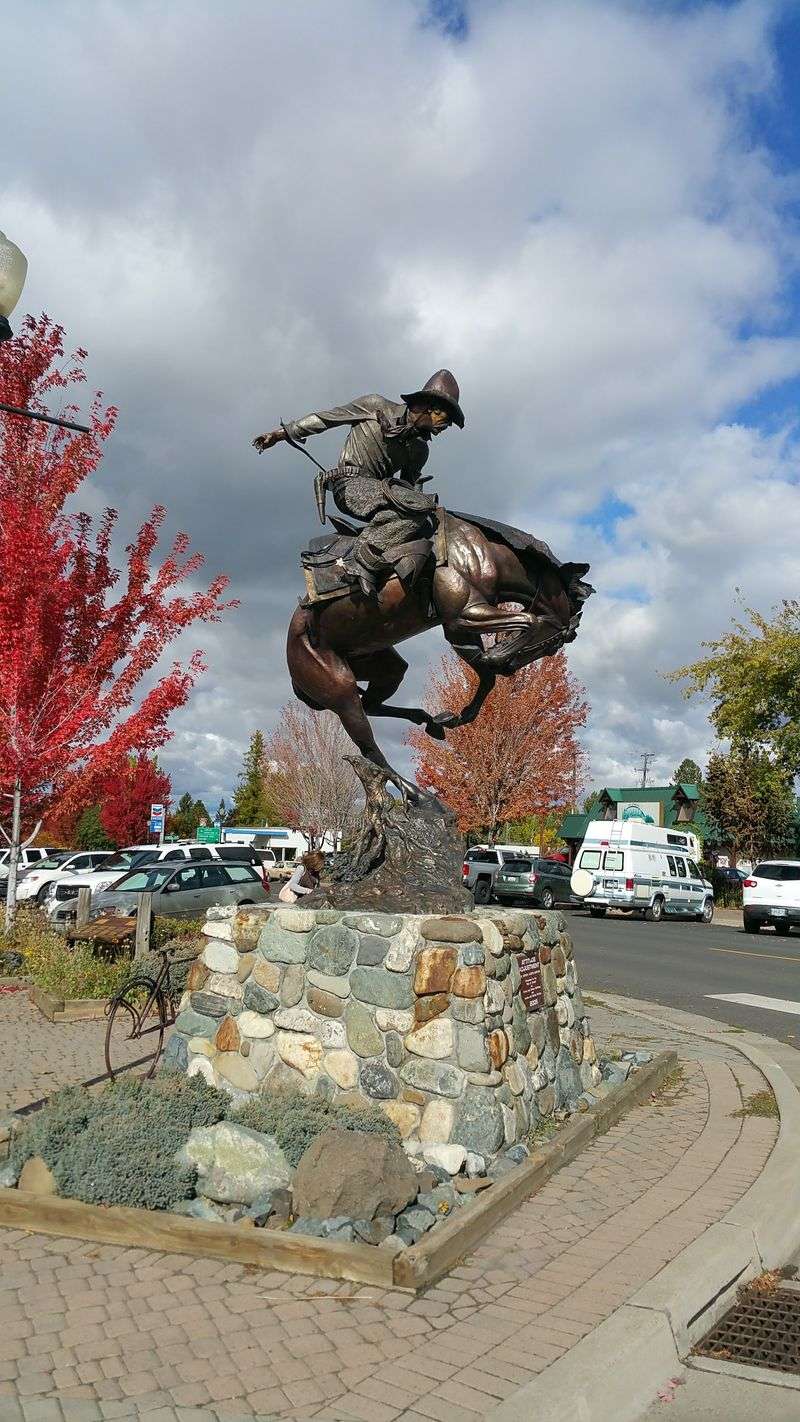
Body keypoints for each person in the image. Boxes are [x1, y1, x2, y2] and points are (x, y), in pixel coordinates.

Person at [253, 370, 464, 599]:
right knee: (419, 506)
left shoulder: (419, 449)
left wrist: (415, 493)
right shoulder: (374, 405)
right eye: (446, 418)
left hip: (382, 496)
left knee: (427, 516)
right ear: (429, 407)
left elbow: (407, 488)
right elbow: (325, 419)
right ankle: (362, 559)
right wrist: (281, 434)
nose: (447, 426)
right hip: (350, 486)